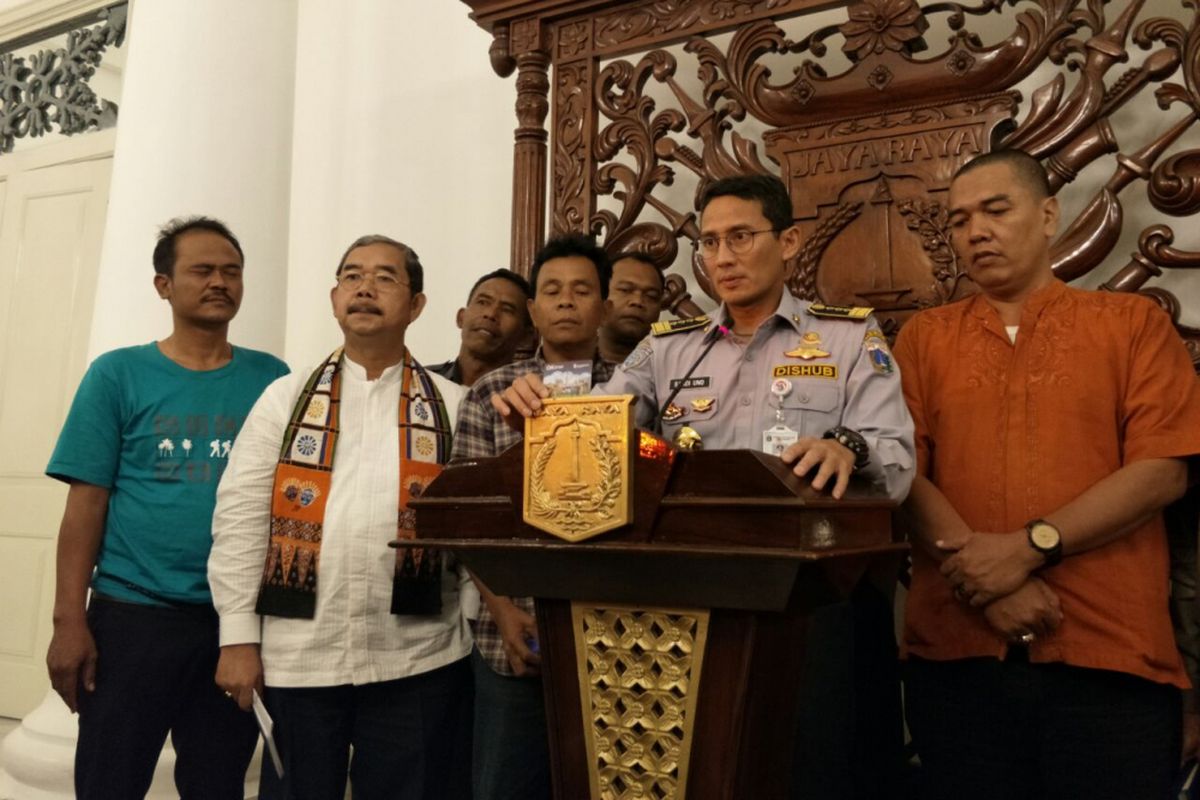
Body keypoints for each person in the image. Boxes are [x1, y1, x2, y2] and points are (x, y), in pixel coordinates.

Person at [494, 174, 915, 798]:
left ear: (789, 241)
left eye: (741, 237)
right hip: (687, 600)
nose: (722, 257)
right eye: (710, 243)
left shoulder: (850, 337)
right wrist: (542, 408)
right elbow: (596, 430)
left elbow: (897, 461)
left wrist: (844, 445)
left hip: (809, 601)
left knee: (809, 771)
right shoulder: (667, 351)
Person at [893, 148, 1200, 800]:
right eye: (958, 220)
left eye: (995, 210)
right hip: (959, 656)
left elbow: (1163, 470)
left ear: (1049, 214)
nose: (975, 231)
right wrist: (989, 586)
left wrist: (1030, 547)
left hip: (1109, 655)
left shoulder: (1132, 323)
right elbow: (902, 474)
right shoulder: (924, 338)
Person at [208, 234, 471, 800]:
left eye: (385, 277)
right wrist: (236, 638)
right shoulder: (285, 398)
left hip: (418, 657)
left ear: (417, 304)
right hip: (301, 659)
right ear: (334, 297)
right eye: (352, 276)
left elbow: (473, 532)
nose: (365, 288)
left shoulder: (453, 403)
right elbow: (240, 520)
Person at [44, 216, 289, 799]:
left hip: (234, 621)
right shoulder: (117, 375)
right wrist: (68, 620)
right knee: (111, 780)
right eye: (201, 270)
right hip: (134, 616)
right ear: (164, 285)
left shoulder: (272, 378)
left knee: (217, 782)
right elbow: (86, 504)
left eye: (231, 271)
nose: (219, 282)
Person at [452, 232, 614, 800]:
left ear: (605, 306)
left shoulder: (636, 390)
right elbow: (467, 519)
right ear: (533, 310)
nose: (566, 301)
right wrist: (500, 612)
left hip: (616, 638)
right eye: (552, 290)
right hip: (510, 635)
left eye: (581, 290)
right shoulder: (490, 394)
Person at [428, 268, 533, 386]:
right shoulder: (422, 382)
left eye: (506, 309)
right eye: (482, 302)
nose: (490, 314)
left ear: (526, 336)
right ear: (461, 317)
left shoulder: (528, 398)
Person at [597, 253, 664, 364]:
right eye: (625, 290)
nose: (637, 301)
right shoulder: (567, 364)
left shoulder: (675, 368)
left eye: (651, 296)